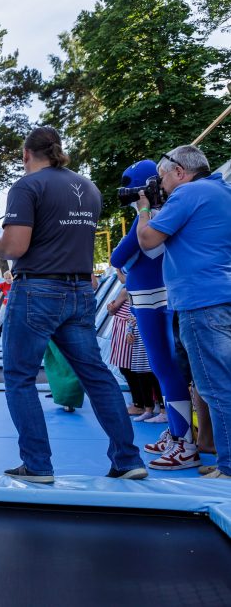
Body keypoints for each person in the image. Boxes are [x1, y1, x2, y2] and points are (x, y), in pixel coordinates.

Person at [0, 126, 146, 482]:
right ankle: (128, 458)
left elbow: (15, 247)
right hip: (79, 290)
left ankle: (38, 464)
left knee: (20, 377)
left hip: (38, 290)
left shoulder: (27, 186)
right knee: (98, 377)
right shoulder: (88, 189)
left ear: (26, 154)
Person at [136, 144, 231, 479]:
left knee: (215, 386)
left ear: (179, 171)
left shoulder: (188, 193)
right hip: (222, 294)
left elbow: (147, 240)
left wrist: (143, 209)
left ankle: (228, 466)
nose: (160, 186)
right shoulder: (222, 190)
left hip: (200, 301)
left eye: (162, 178)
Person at [112, 159, 198, 470]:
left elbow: (118, 256)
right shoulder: (164, 214)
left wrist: (142, 210)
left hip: (151, 299)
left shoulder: (149, 219)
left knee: (166, 368)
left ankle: (184, 441)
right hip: (157, 296)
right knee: (166, 369)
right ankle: (179, 434)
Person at [107, 283, 165, 422]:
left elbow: (113, 309)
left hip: (143, 339)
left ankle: (153, 407)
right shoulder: (136, 296)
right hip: (136, 338)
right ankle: (148, 407)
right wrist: (129, 331)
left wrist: (113, 308)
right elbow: (132, 316)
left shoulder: (128, 289)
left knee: (147, 374)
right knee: (141, 374)